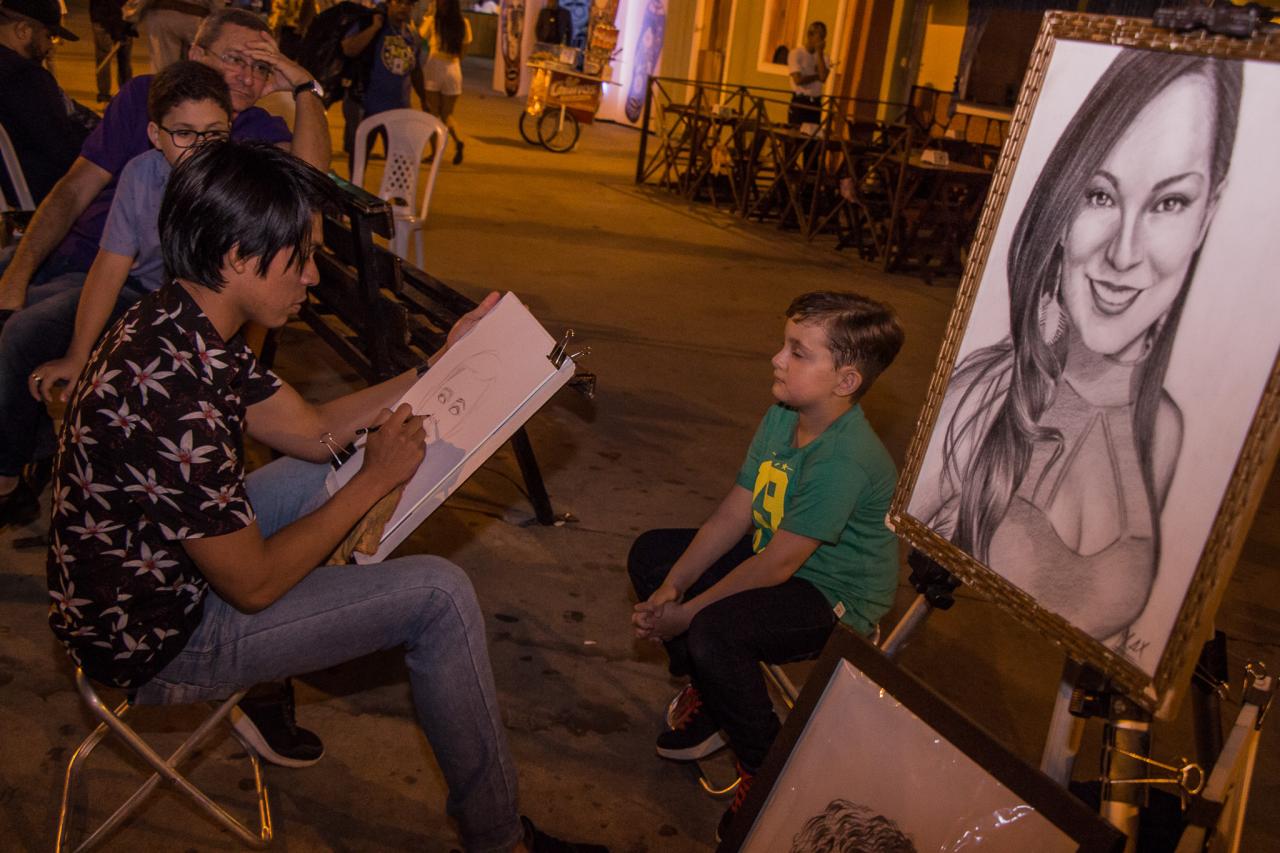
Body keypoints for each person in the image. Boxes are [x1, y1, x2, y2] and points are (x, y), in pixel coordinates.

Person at [46, 138, 608, 853]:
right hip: (158, 639)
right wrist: (375, 480)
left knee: (324, 477)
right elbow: (252, 584)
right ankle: (501, 842)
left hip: (147, 579)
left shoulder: (176, 320)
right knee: (440, 595)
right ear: (240, 257)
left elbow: (314, 433)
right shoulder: (176, 397)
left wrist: (443, 364)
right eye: (298, 257)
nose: (312, 276)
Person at [910, 51, 1243, 652]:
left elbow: (1116, 646)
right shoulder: (985, 390)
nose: (1123, 255)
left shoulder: (1160, 428)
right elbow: (879, 582)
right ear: (1062, 209)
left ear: (1207, 216)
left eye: (1169, 202)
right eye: (1100, 195)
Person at [0, 7, 331, 528]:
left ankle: (13, 479)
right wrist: (23, 282)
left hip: (169, 307)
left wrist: (304, 87)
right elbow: (90, 219)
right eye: (235, 59)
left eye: (261, 66)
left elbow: (306, 193)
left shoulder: (245, 150)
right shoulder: (146, 128)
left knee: (23, 335)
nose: (248, 75)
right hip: (110, 273)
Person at [629, 291, 904, 840]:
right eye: (785, 345)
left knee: (713, 629)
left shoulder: (844, 458)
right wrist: (672, 587)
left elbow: (774, 567)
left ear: (845, 381)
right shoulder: (784, 414)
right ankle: (716, 694)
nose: (777, 359)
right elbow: (734, 514)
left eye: (798, 353)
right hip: (780, 562)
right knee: (653, 554)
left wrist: (687, 615)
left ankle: (765, 766)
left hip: (833, 597)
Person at [0, 0, 93, 207]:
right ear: (23, 31)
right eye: (49, 36)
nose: (51, 46)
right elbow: (65, 150)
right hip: (40, 196)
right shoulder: (25, 77)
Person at [341, 0, 428, 171]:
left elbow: (416, 70)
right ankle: (356, 195)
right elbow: (349, 49)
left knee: (399, 163)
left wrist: (424, 99)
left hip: (399, 111)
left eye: (408, 4)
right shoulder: (372, 25)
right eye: (399, 2)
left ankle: (398, 198)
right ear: (389, 4)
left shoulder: (412, 35)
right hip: (367, 108)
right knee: (359, 159)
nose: (404, 7)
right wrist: (373, 28)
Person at [420, 0, 471, 164]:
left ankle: (435, 154)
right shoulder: (464, 23)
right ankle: (459, 141)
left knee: (433, 113)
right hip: (454, 68)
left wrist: (424, 18)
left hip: (435, 66)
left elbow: (419, 36)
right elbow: (464, 51)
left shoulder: (434, 21)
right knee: (447, 114)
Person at [138, 0, 215, 72]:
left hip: (162, 14)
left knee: (163, 66)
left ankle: (165, 83)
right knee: (201, 61)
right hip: (199, 16)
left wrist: (131, 16)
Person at [89, 0, 134, 103]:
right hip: (117, 18)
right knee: (122, 59)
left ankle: (107, 95)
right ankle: (123, 94)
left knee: (114, 58)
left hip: (105, 18)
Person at [786, 21, 829, 127]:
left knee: (812, 138)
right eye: (820, 36)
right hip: (800, 101)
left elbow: (823, 77)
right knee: (796, 136)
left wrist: (819, 53)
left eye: (824, 36)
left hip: (815, 103)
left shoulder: (824, 58)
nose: (822, 40)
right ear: (810, 35)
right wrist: (816, 76)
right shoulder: (796, 54)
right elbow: (798, 80)